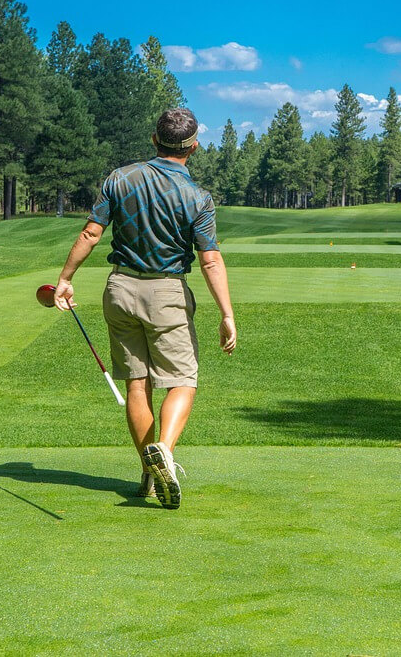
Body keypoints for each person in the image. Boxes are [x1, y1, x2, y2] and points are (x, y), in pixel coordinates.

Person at [54, 108, 236, 510]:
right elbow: (209, 260)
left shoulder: (119, 178)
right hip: (166, 292)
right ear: (194, 145)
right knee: (182, 380)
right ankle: (165, 454)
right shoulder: (198, 198)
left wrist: (66, 278)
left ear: (155, 139)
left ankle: (149, 473)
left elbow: (91, 232)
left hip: (119, 289)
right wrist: (226, 314)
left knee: (138, 383)